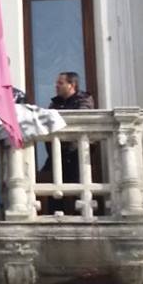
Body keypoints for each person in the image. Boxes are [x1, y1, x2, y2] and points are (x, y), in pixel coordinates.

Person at [44, 71, 95, 214]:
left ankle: (83, 217)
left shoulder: (83, 100)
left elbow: (81, 120)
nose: (56, 86)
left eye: (60, 83)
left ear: (71, 85)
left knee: (78, 186)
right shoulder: (55, 103)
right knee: (53, 187)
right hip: (56, 153)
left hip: (75, 153)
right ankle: (54, 218)